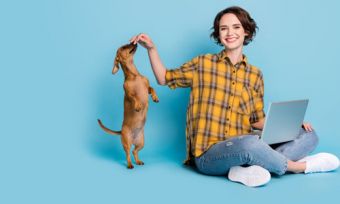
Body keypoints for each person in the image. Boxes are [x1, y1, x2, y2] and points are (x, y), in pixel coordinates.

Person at [129, 6, 339, 187]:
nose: (230, 32)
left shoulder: (255, 74)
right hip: (209, 155)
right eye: (224, 28)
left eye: (236, 27)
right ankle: (299, 167)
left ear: (246, 31)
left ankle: (243, 170)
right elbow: (164, 78)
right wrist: (152, 49)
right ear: (218, 34)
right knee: (250, 145)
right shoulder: (203, 63)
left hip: (244, 142)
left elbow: (256, 121)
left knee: (309, 136)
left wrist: (293, 126)